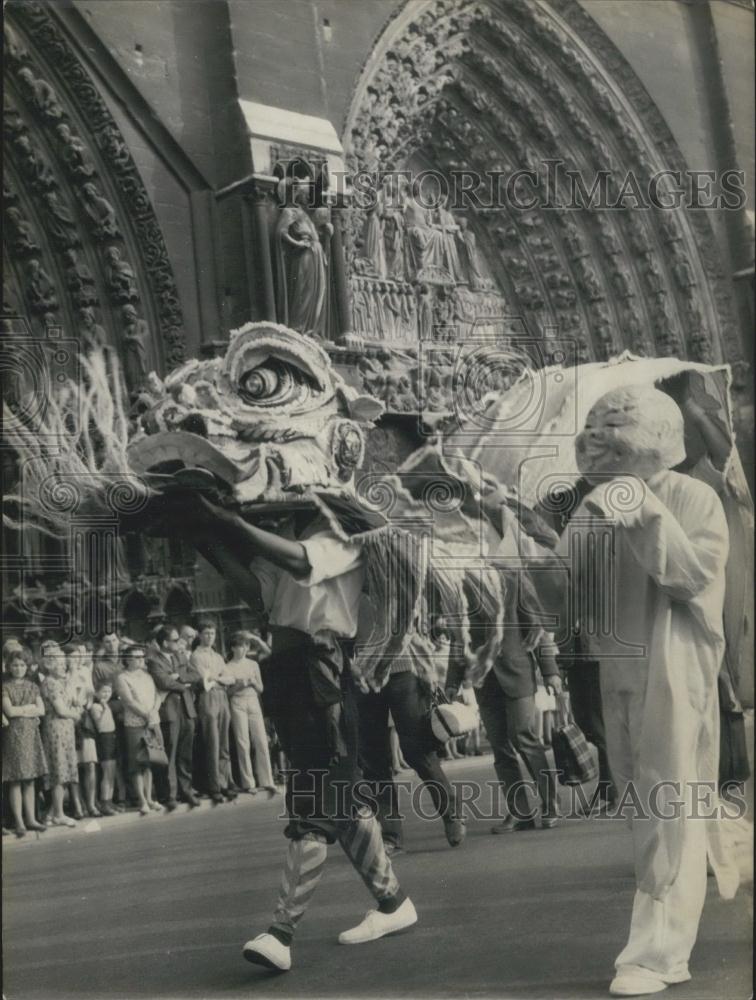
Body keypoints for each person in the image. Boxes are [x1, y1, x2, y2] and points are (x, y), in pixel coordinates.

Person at [173, 497, 415, 972]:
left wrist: (230, 522)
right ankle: (393, 904)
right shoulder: (287, 530)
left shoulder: (346, 531)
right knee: (340, 804)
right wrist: (203, 538)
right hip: (290, 674)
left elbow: (299, 559)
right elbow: (258, 594)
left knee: (313, 808)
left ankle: (281, 932)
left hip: (321, 674)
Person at [561, 384, 739, 997]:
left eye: (616, 422)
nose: (600, 432)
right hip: (618, 670)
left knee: (671, 800)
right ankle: (726, 856)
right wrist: (504, 529)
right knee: (651, 802)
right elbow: (562, 593)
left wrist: (636, 505)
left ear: (657, 433)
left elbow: (691, 577)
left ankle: (659, 952)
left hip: (673, 664)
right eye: (595, 423)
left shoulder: (692, 497)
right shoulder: (592, 508)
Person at [146, 625, 200, 809]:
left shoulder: (181, 656)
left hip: (186, 709)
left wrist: (179, 677)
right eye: (175, 640)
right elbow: (163, 681)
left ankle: (186, 791)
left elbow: (196, 674)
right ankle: (170, 794)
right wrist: (182, 684)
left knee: (185, 753)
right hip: (169, 711)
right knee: (170, 752)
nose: (179, 643)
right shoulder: (154, 661)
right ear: (164, 643)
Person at [190, 621, 237, 804]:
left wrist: (217, 679)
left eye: (212, 633)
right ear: (200, 635)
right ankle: (214, 785)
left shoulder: (217, 656)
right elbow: (205, 680)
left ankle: (225, 781)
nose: (210, 637)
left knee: (224, 742)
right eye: (206, 633)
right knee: (213, 742)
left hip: (221, 697)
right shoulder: (196, 656)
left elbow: (230, 678)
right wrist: (219, 679)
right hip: (208, 697)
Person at [225, 630, 277, 796]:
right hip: (237, 702)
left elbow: (261, 689)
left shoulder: (253, 664)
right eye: (240, 646)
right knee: (243, 742)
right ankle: (248, 783)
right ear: (233, 648)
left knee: (261, 740)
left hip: (253, 700)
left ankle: (267, 780)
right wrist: (240, 684)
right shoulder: (227, 667)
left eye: (246, 646)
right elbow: (227, 692)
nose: (244, 649)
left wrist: (253, 682)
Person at [2, 652, 48, 836]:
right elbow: (10, 712)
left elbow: (42, 710)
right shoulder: (5, 687)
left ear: (27, 666)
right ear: (9, 667)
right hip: (14, 734)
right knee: (15, 779)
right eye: (15, 665)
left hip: (30, 734)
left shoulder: (33, 686)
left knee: (29, 779)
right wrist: (29, 709)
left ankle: (31, 819)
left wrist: (23, 710)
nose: (18, 669)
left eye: (22, 665)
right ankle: (19, 821)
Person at [114, 645, 163, 816]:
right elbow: (128, 701)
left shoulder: (148, 676)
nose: (140, 660)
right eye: (136, 657)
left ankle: (149, 798)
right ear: (127, 659)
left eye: (141, 657)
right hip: (135, 723)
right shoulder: (122, 678)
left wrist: (154, 711)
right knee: (137, 763)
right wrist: (146, 715)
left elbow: (157, 695)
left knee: (149, 761)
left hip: (152, 721)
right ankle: (141, 800)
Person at [39, 641, 81, 827]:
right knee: (60, 771)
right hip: (57, 728)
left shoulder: (58, 682)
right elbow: (62, 710)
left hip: (64, 729)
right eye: (60, 663)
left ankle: (51, 813)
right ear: (50, 664)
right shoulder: (50, 683)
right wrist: (76, 715)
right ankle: (58, 814)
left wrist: (71, 676)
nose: (63, 666)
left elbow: (73, 699)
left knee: (63, 770)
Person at [66, 643, 100, 817]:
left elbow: (91, 694)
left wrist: (88, 703)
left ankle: (92, 804)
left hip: (84, 719)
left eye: (78, 656)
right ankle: (78, 806)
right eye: (72, 657)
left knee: (90, 763)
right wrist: (71, 674)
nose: (76, 660)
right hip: (68, 721)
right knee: (74, 765)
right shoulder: (63, 675)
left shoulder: (85, 672)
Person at [90, 683, 118, 815]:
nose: (106, 694)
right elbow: (100, 724)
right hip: (103, 738)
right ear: (96, 693)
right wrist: (105, 708)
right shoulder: (96, 707)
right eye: (103, 691)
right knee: (107, 772)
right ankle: (104, 802)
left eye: (109, 691)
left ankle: (110, 800)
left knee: (112, 772)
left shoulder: (106, 706)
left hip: (111, 737)